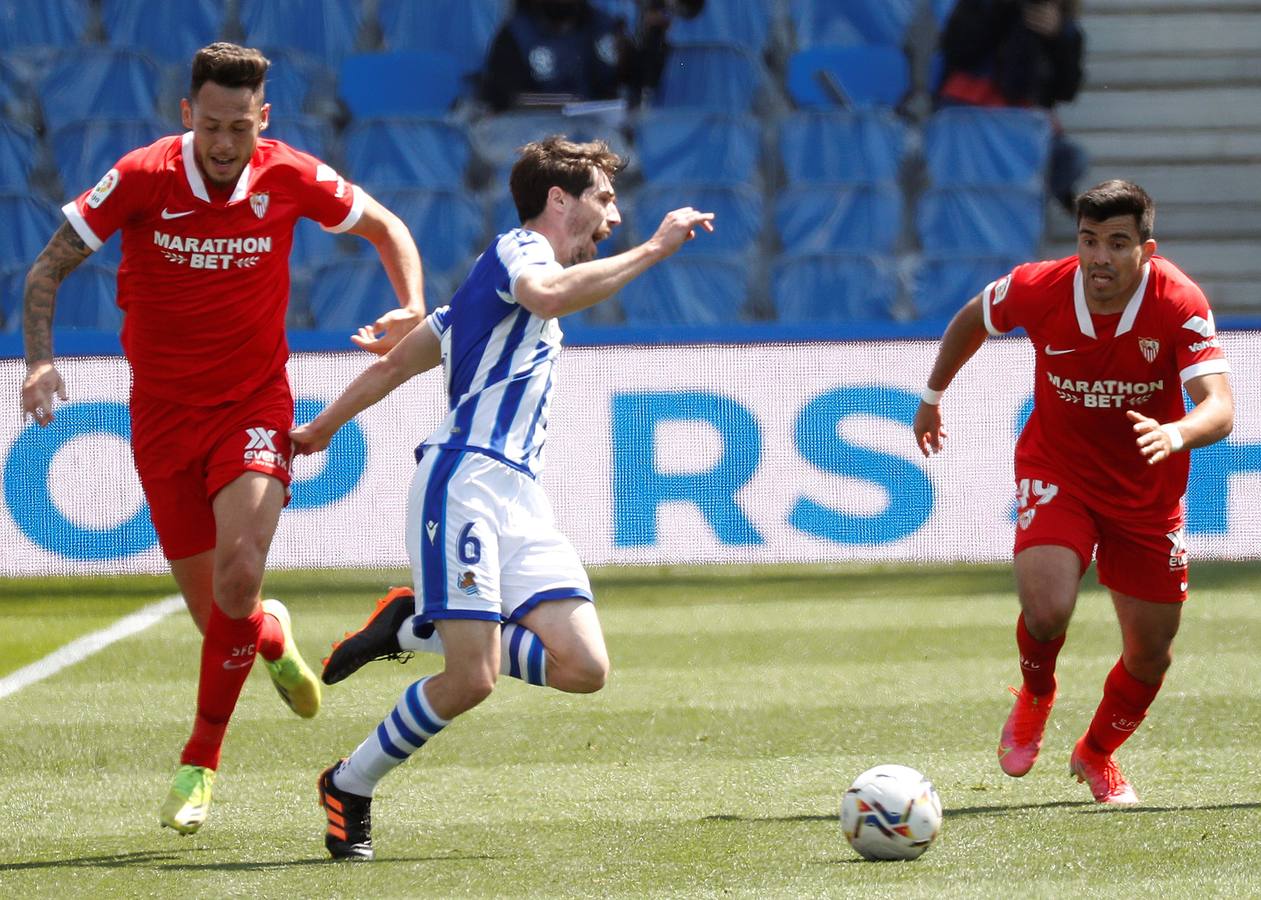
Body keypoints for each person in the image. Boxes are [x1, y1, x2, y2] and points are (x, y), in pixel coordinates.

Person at [19, 42, 427, 835]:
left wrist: (409, 303)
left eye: (240, 126)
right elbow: (44, 271)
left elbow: (387, 225)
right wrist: (39, 364)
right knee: (225, 621)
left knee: (240, 575)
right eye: (210, 125)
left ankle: (199, 762)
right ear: (186, 115)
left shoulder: (289, 174)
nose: (224, 142)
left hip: (253, 405)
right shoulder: (141, 176)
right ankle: (270, 636)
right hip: (163, 417)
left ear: (262, 118)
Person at [290, 135, 714, 860]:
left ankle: (414, 626)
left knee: (584, 669)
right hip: (463, 482)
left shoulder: (480, 302)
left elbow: (395, 365)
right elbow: (546, 292)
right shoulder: (519, 252)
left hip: (520, 497)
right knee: (472, 679)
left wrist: (323, 426)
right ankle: (350, 784)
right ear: (559, 200)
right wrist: (654, 250)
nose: (613, 216)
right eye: (604, 199)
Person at [913, 180, 1233, 804]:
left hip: (1145, 492)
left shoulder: (1178, 301)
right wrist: (932, 395)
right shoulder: (1040, 286)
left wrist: (1177, 432)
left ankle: (1095, 753)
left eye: (1117, 243)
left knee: (1150, 655)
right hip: (1058, 470)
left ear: (1147, 249)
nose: (1099, 258)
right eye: (1089, 241)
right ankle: (1036, 693)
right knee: (1047, 608)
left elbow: (1219, 408)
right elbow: (973, 318)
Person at [937, 0, 1089, 211]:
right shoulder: (979, 7)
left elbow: (1066, 91)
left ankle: (1019, 212)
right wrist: (1004, 11)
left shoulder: (1065, 28)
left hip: (1024, 124)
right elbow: (958, 52)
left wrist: (1058, 38)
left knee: (1071, 159)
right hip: (976, 119)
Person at [480, 0, 695, 111]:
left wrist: (652, 38)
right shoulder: (515, 34)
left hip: (600, 144)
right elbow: (505, 99)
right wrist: (568, 104)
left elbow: (635, 81)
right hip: (538, 144)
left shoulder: (604, 27)